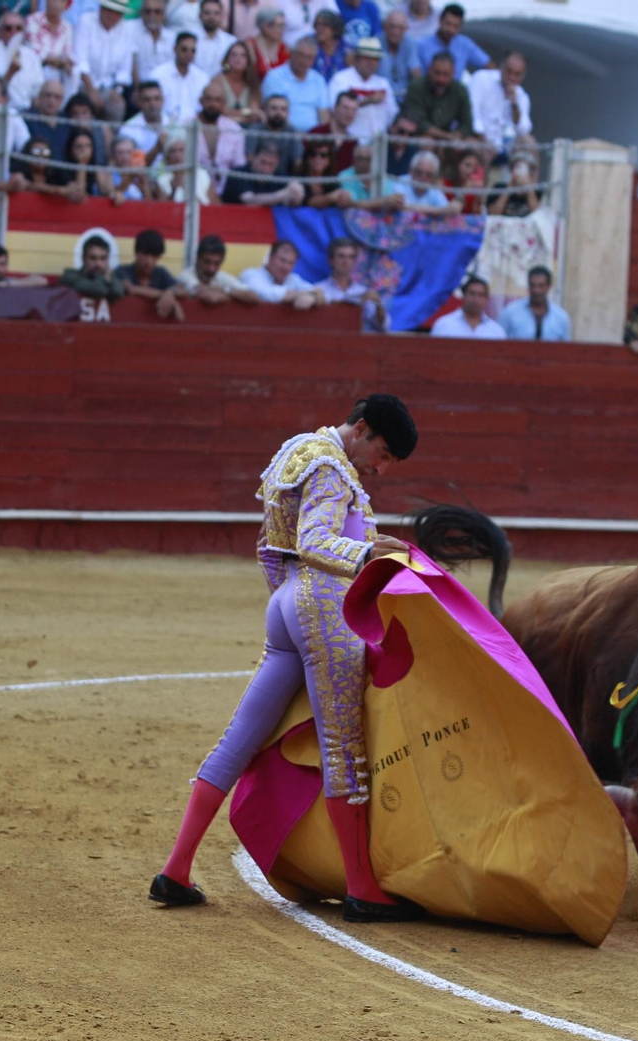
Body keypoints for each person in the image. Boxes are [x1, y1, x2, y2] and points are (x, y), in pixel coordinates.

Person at [152, 394, 421, 922]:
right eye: (383, 452)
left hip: (289, 604)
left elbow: (269, 544)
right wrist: (365, 555)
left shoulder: (299, 450)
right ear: (361, 427)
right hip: (321, 605)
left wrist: (288, 602)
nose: (381, 467)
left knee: (238, 738)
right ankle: (363, 887)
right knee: (344, 747)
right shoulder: (331, 467)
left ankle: (176, 869)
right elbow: (316, 539)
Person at [74, 0, 131, 120]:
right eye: (107, 10)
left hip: (109, 87)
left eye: (116, 12)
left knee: (118, 105)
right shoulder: (86, 21)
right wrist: (91, 90)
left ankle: (112, 138)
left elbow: (124, 69)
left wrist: (117, 91)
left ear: (121, 14)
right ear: (101, 8)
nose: (110, 15)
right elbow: (80, 59)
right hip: (83, 83)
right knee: (87, 105)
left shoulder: (126, 30)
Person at [260, 32, 328, 130]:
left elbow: (323, 113)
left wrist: (320, 137)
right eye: (301, 55)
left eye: (309, 57)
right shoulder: (275, 77)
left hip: (312, 139)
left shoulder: (318, 80)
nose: (305, 61)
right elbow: (273, 112)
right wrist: (295, 137)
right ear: (292, 54)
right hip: (283, 134)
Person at [327, 35, 391, 137]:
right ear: (356, 58)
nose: (370, 63)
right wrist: (367, 101)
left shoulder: (383, 84)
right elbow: (335, 109)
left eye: (375, 59)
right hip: (350, 141)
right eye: (366, 58)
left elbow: (392, 114)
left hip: (378, 143)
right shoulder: (341, 79)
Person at [112, 228, 184, 318]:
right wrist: (167, 296)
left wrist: (170, 292)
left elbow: (184, 290)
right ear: (136, 253)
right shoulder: (122, 271)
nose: (149, 261)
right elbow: (131, 289)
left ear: (159, 257)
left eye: (154, 256)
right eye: (145, 254)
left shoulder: (161, 273)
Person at [317, 236, 385, 331]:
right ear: (331, 260)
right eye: (341, 256)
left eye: (351, 257)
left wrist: (378, 305)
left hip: (355, 343)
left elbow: (383, 327)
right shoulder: (318, 289)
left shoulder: (363, 292)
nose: (346, 261)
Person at [400, 50, 471, 141]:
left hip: (450, 140)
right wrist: (447, 136)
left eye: (445, 74)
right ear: (430, 70)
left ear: (453, 73)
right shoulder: (417, 86)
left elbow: (467, 124)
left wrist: (458, 134)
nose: (441, 79)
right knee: (426, 142)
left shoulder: (460, 90)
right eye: (437, 73)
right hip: (417, 137)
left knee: (469, 144)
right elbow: (417, 122)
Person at [469, 50, 527, 158]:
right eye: (509, 72)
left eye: (517, 74)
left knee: (529, 142)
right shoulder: (482, 79)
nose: (512, 78)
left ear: (523, 75)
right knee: (485, 150)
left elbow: (524, 129)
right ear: (501, 67)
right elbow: (473, 115)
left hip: (506, 148)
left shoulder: (521, 95)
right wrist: (484, 140)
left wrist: (514, 104)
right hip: (482, 140)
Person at [174, 233, 258, 303]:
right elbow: (210, 298)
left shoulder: (221, 276)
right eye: (207, 262)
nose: (211, 268)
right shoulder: (185, 276)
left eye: (216, 263)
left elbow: (254, 297)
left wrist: (226, 291)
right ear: (198, 259)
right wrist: (233, 296)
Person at [240, 239, 324, 305]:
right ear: (270, 258)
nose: (286, 267)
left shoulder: (293, 279)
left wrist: (313, 296)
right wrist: (303, 294)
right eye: (282, 260)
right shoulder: (251, 274)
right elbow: (265, 294)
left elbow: (321, 294)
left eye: (291, 263)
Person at [150, 30, 210, 122]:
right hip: (164, 126)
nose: (189, 54)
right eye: (184, 49)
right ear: (175, 49)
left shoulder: (202, 78)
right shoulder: (158, 74)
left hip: (194, 128)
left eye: (193, 50)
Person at [498, 265, 570, 342]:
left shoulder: (561, 317)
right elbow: (498, 343)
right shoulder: (510, 312)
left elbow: (566, 349)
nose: (536, 290)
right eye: (532, 285)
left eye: (541, 286)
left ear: (549, 286)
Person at [221, 137, 303, 204]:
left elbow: (296, 198)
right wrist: (283, 194)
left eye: (271, 164)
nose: (266, 168)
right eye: (263, 162)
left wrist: (296, 192)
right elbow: (250, 201)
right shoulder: (238, 174)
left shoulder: (278, 175)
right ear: (253, 158)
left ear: (277, 164)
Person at [413, 2, 486, 75]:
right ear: (440, 20)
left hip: (456, 85)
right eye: (448, 24)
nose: (451, 29)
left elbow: (488, 65)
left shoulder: (465, 44)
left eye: (455, 26)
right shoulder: (422, 45)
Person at [429, 275, 502, 338]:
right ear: (463, 296)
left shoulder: (496, 330)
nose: (475, 299)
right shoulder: (444, 325)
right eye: (472, 293)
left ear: (486, 299)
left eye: (481, 295)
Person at [390, 148, 459, 215]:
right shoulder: (401, 182)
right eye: (419, 173)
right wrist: (439, 211)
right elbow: (402, 207)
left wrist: (453, 207)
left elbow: (446, 208)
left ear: (434, 177)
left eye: (428, 175)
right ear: (411, 171)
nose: (423, 178)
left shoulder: (433, 189)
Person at [58, 234, 127, 299]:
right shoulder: (70, 276)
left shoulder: (109, 277)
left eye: (103, 258)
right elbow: (99, 290)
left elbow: (119, 291)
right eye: (93, 258)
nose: (98, 264)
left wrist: (109, 279)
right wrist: (105, 279)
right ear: (84, 258)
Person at [210, 39, 259, 123]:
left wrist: (233, 113)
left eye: (243, 55)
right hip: (221, 126)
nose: (238, 58)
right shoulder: (218, 81)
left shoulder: (252, 82)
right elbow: (220, 109)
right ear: (227, 59)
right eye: (234, 55)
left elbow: (254, 111)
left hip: (247, 128)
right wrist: (245, 113)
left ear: (248, 60)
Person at [191, 0, 235, 77]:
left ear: (222, 16)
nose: (211, 17)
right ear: (200, 16)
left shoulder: (230, 42)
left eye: (216, 13)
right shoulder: (190, 39)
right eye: (207, 13)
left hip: (219, 86)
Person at [381, 7, 414, 103]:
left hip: (405, 99)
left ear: (406, 29)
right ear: (385, 26)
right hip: (381, 99)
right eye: (392, 26)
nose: (395, 32)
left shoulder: (410, 43)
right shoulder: (376, 42)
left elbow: (415, 72)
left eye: (400, 28)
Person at [246, 5, 287, 78]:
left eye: (283, 25)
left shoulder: (285, 48)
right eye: (279, 26)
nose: (282, 30)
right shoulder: (250, 46)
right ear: (266, 27)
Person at [310, 8, 346, 81]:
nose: (319, 28)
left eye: (324, 25)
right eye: (317, 24)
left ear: (334, 28)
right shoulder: (309, 43)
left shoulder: (344, 48)